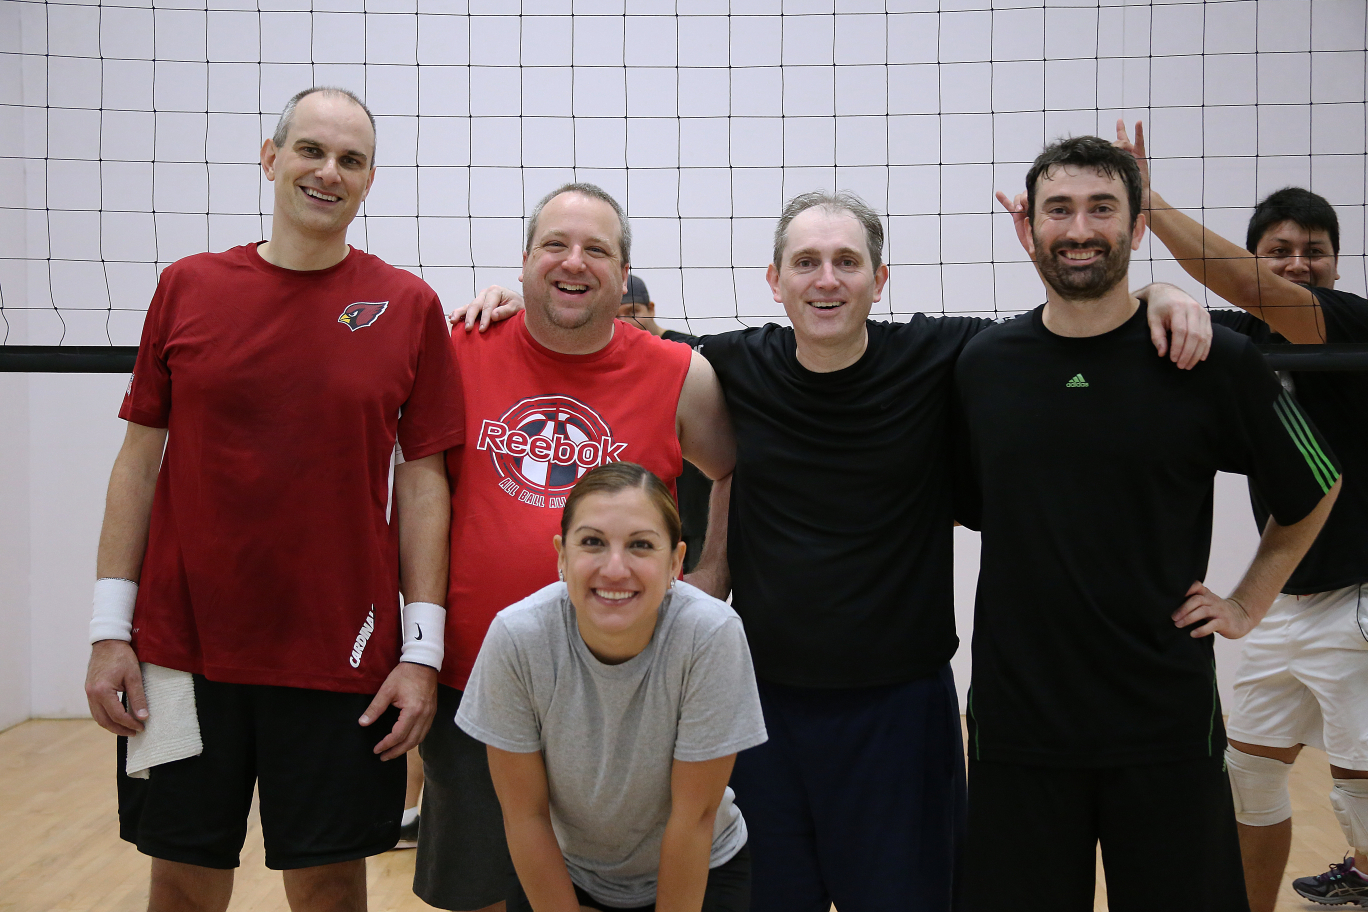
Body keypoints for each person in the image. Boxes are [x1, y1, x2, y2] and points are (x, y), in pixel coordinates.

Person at [467, 190, 1213, 912]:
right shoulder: (732, 364)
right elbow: (601, 333)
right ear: (775, 280)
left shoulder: (938, 354)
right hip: (762, 711)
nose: (826, 279)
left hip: (901, 712)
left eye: (847, 262)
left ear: (879, 279)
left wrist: (1157, 292)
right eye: (806, 262)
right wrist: (514, 306)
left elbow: (1064, 326)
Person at [82, 86, 465, 911]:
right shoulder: (186, 286)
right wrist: (110, 631)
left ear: (369, 181)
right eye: (311, 151)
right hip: (173, 657)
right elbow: (138, 464)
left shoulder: (409, 307)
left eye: (351, 160)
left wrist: (422, 652)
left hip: (344, 659)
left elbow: (424, 485)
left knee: (330, 887)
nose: (329, 172)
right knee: (178, 882)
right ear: (271, 158)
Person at [958, 135, 1341, 912]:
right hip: (1019, 725)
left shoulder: (1207, 359)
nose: (1080, 229)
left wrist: (1248, 602)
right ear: (1028, 228)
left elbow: (1318, 484)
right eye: (1059, 209)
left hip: (1164, 723)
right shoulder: (982, 365)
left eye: (1102, 208)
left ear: (1137, 227)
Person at [416, 183, 736, 912]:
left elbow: (731, 468)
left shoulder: (678, 372)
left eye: (597, 249)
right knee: (484, 892)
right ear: (524, 262)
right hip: (476, 678)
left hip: (626, 691)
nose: (574, 262)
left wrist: (714, 567)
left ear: (624, 276)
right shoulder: (457, 349)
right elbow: (415, 487)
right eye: (555, 245)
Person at [1114, 122, 1368, 911]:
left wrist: (1148, 203)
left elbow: (1246, 288)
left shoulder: (1349, 320)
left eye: (1314, 250)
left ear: (1335, 265)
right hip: (1282, 602)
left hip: (1359, 599)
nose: (1297, 262)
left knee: (1360, 800)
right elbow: (1132, 318)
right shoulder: (1234, 342)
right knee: (1249, 782)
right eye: (1278, 250)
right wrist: (1161, 292)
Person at [457, 462, 767, 912]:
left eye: (641, 545)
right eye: (592, 542)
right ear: (562, 556)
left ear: (675, 562)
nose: (615, 569)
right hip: (566, 868)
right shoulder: (517, 637)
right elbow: (525, 816)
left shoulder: (710, 634)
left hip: (703, 861)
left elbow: (695, 818)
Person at [617, 274, 713, 573]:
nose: (627, 321)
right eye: (617, 315)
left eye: (634, 310)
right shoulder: (614, 359)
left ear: (651, 308)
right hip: (641, 510)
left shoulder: (688, 353)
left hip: (692, 511)